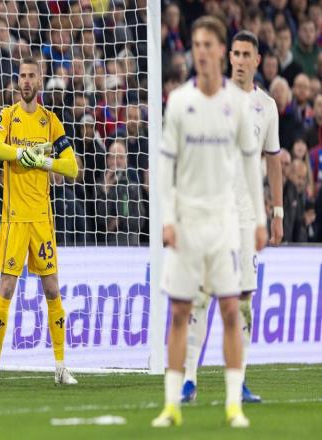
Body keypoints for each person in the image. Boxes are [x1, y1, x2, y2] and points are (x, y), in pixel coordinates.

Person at [152, 17, 267, 429]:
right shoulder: (178, 101)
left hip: (225, 223)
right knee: (181, 310)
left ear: (220, 51)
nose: (201, 51)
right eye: (196, 44)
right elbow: (165, 167)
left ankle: (234, 404)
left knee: (232, 309)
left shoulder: (240, 105)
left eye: (208, 45)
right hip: (187, 222)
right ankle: (172, 404)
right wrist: (167, 219)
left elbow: (252, 166)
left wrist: (261, 218)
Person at [181, 30, 283, 405]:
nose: (239, 60)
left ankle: (237, 380)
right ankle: (188, 379)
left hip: (247, 215)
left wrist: (277, 212)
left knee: (243, 299)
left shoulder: (266, 106)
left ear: (257, 60)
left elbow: (274, 160)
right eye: (235, 54)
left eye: (245, 55)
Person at [0, 57, 78, 386]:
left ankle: (61, 366)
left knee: (51, 288)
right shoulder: (7, 116)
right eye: (22, 76)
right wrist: (19, 154)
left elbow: (72, 167)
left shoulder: (51, 122)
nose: (26, 81)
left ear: (39, 81)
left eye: (31, 76)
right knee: (6, 287)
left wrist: (44, 161)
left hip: (41, 219)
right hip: (14, 218)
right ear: (18, 80)